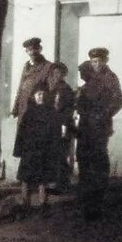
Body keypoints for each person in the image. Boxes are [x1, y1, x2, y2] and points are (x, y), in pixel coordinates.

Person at [76, 48, 122, 221]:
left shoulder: (110, 78)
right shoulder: (88, 77)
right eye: (93, 61)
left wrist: (104, 113)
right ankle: (85, 202)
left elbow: (119, 100)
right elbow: (82, 100)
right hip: (84, 126)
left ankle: (96, 203)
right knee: (83, 159)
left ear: (105, 61)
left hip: (100, 127)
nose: (96, 65)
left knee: (98, 162)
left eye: (99, 61)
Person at [14, 88, 61, 218]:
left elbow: (54, 133)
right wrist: (19, 149)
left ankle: (42, 203)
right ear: (33, 96)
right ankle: (24, 201)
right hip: (29, 150)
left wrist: (53, 149)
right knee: (25, 178)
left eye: (42, 94)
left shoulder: (50, 112)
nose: (40, 97)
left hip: (42, 151)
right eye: (37, 94)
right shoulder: (29, 113)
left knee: (42, 178)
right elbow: (21, 132)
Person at [46, 63, 75, 193]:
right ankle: (56, 183)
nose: (56, 75)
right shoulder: (51, 89)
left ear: (63, 75)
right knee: (54, 155)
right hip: (52, 126)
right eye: (54, 73)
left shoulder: (66, 89)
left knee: (62, 155)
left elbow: (69, 109)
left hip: (63, 126)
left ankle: (63, 184)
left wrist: (64, 125)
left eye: (59, 73)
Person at [12, 37, 55, 120]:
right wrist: (15, 108)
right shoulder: (26, 66)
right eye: (30, 50)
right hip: (23, 108)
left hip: (38, 111)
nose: (33, 52)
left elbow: (52, 90)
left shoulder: (49, 67)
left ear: (40, 49)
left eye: (35, 49)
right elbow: (21, 88)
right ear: (26, 52)